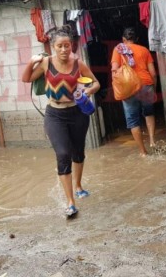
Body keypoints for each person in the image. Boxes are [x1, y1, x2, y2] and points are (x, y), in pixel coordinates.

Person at [22, 25, 100, 218]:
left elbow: (95, 82)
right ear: (53, 47)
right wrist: (32, 61)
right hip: (54, 114)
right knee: (63, 154)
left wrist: (87, 91)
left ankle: (79, 185)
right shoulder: (46, 63)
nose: (65, 49)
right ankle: (70, 202)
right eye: (60, 46)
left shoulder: (78, 63)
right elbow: (26, 79)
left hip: (77, 113)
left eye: (67, 45)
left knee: (78, 152)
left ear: (71, 45)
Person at [111, 27, 157, 157]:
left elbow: (115, 71)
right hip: (146, 85)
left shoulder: (118, 50)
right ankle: (153, 141)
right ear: (136, 39)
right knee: (149, 113)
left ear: (123, 39)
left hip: (129, 87)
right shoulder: (144, 50)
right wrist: (154, 87)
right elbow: (153, 73)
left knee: (133, 121)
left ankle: (143, 152)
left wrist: (120, 87)